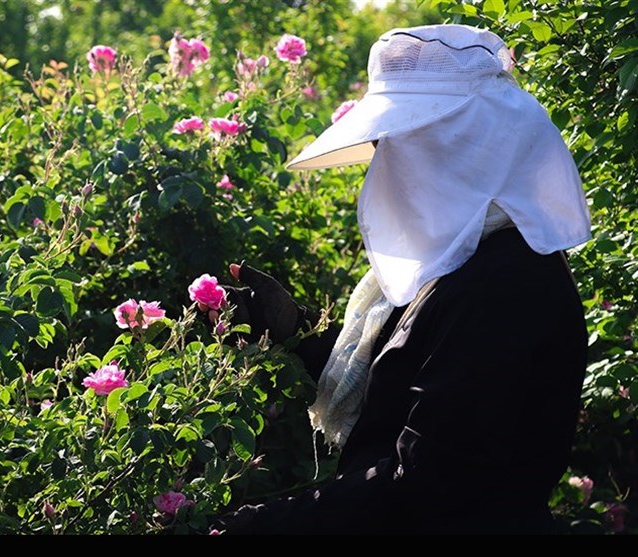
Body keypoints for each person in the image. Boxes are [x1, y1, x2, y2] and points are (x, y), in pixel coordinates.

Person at [212, 24, 591, 534]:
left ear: (458, 149)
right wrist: (294, 331)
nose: (382, 166)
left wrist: (253, 527)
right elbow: (398, 388)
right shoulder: (466, 260)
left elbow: (423, 486)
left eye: (395, 146)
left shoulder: (506, 289)